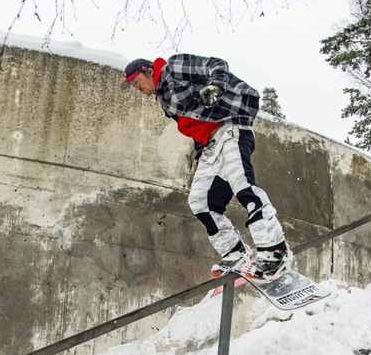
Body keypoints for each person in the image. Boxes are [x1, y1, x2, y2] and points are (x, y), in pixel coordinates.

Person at [120, 55, 292, 282]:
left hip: (231, 129)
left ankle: (275, 252)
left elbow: (216, 64)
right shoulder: (164, 99)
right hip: (210, 146)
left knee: (243, 187)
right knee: (201, 202)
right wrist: (201, 153)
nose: (137, 87)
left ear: (149, 70)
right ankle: (235, 252)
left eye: (137, 80)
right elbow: (196, 124)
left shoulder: (172, 68)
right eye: (132, 85)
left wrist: (215, 86)